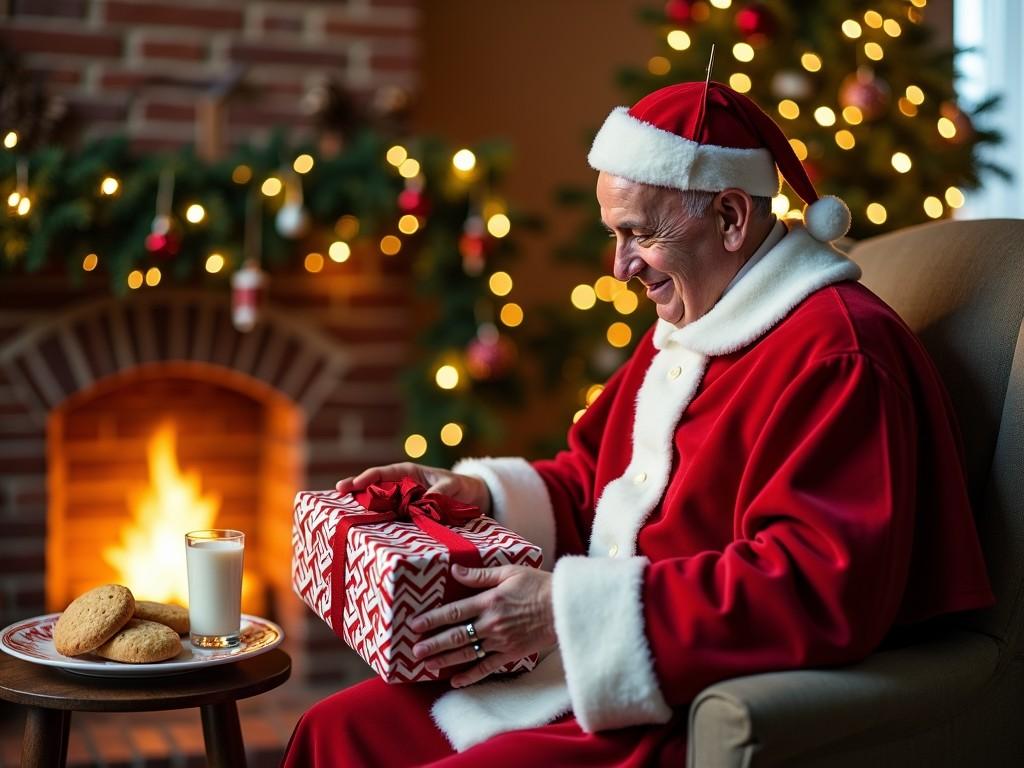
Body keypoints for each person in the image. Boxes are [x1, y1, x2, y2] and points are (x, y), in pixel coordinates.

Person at [282, 81, 993, 766]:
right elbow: (594, 483)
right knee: (334, 730)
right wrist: (481, 500)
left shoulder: (839, 355)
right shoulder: (694, 324)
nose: (620, 266)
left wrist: (563, 611)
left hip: (676, 698)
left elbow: (816, 589)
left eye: (637, 234)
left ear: (730, 218)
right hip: (593, 673)